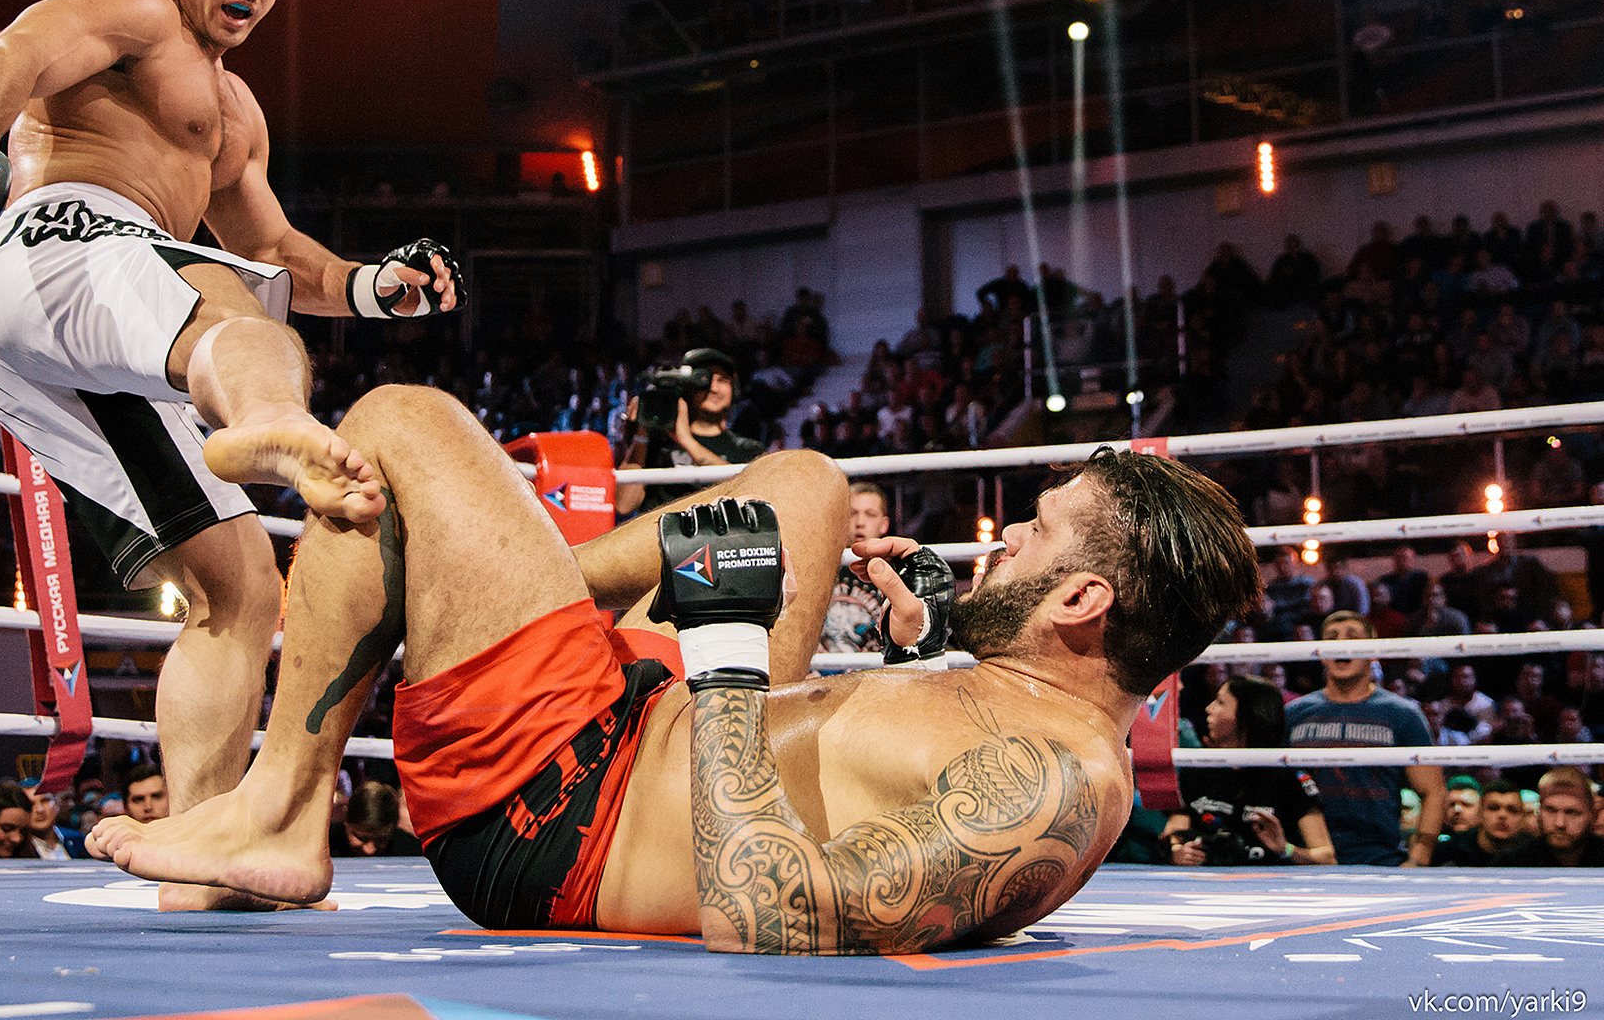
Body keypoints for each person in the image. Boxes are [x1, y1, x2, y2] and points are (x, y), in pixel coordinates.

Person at [85, 388, 1259, 953]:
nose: (999, 535)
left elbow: (764, 911)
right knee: (801, 485)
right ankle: (505, 576)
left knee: (398, 427)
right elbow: (883, 739)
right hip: (651, 715)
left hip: (559, 812)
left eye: (1035, 534)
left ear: (1082, 602)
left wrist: (733, 653)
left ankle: (284, 811)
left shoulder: (1051, 791)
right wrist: (923, 631)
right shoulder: (1028, 701)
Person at [0, 0, 461, 905]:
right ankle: (274, 426)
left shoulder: (235, 112)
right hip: (61, 244)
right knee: (227, 307)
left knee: (241, 589)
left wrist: (378, 289)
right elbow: (9, 53)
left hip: (89, 350)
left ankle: (200, 854)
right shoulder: (128, 3)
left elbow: (281, 252)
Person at [1284, 611, 1446, 865]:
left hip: (1381, 859)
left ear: (1372, 650)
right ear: (1320, 652)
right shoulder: (1294, 714)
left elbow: (1433, 790)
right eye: (1332, 638)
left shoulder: (1402, 714)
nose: (1342, 644)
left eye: (1352, 636)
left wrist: (1418, 860)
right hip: (1306, 858)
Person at [1161, 676, 1334, 866]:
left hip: (1272, 885)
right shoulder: (1197, 768)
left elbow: (1327, 856)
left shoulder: (1287, 775)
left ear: (1245, 715)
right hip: (1207, 884)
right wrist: (1178, 852)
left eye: (1220, 702)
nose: (1208, 708)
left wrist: (1286, 849)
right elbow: (1174, 834)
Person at [614, 348, 763, 515]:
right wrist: (642, 432)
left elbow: (747, 492)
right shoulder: (655, 444)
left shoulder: (748, 449)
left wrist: (686, 440)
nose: (713, 388)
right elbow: (624, 505)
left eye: (722, 380)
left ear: (734, 390)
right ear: (687, 388)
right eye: (702, 381)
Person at [817, 482, 892, 654]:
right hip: (821, 675)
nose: (860, 522)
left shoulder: (894, 574)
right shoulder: (821, 571)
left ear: (884, 524)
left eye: (870, 515)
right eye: (852, 514)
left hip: (873, 674)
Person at [1497, 769, 1603, 867]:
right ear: (1539, 810)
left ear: (1592, 815)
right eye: (1551, 810)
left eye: (1572, 812)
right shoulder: (1513, 862)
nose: (1560, 823)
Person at [1434, 779, 1529, 866]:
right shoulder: (1450, 851)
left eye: (1512, 810)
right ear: (1479, 813)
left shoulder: (1532, 854)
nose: (1502, 815)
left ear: (1523, 817)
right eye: (1493, 808)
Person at [327, 781, 421, 858]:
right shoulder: (324, 844)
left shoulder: (413, 854)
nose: (370, 850)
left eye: (380, 840)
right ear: (346, 824)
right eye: (361, 838)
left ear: (392, 830)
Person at [25, 784, 87, 860]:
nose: (39, 810)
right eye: (30, 804)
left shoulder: (77, 839)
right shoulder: (20, 848)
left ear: (56, 804)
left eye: (45, 801)